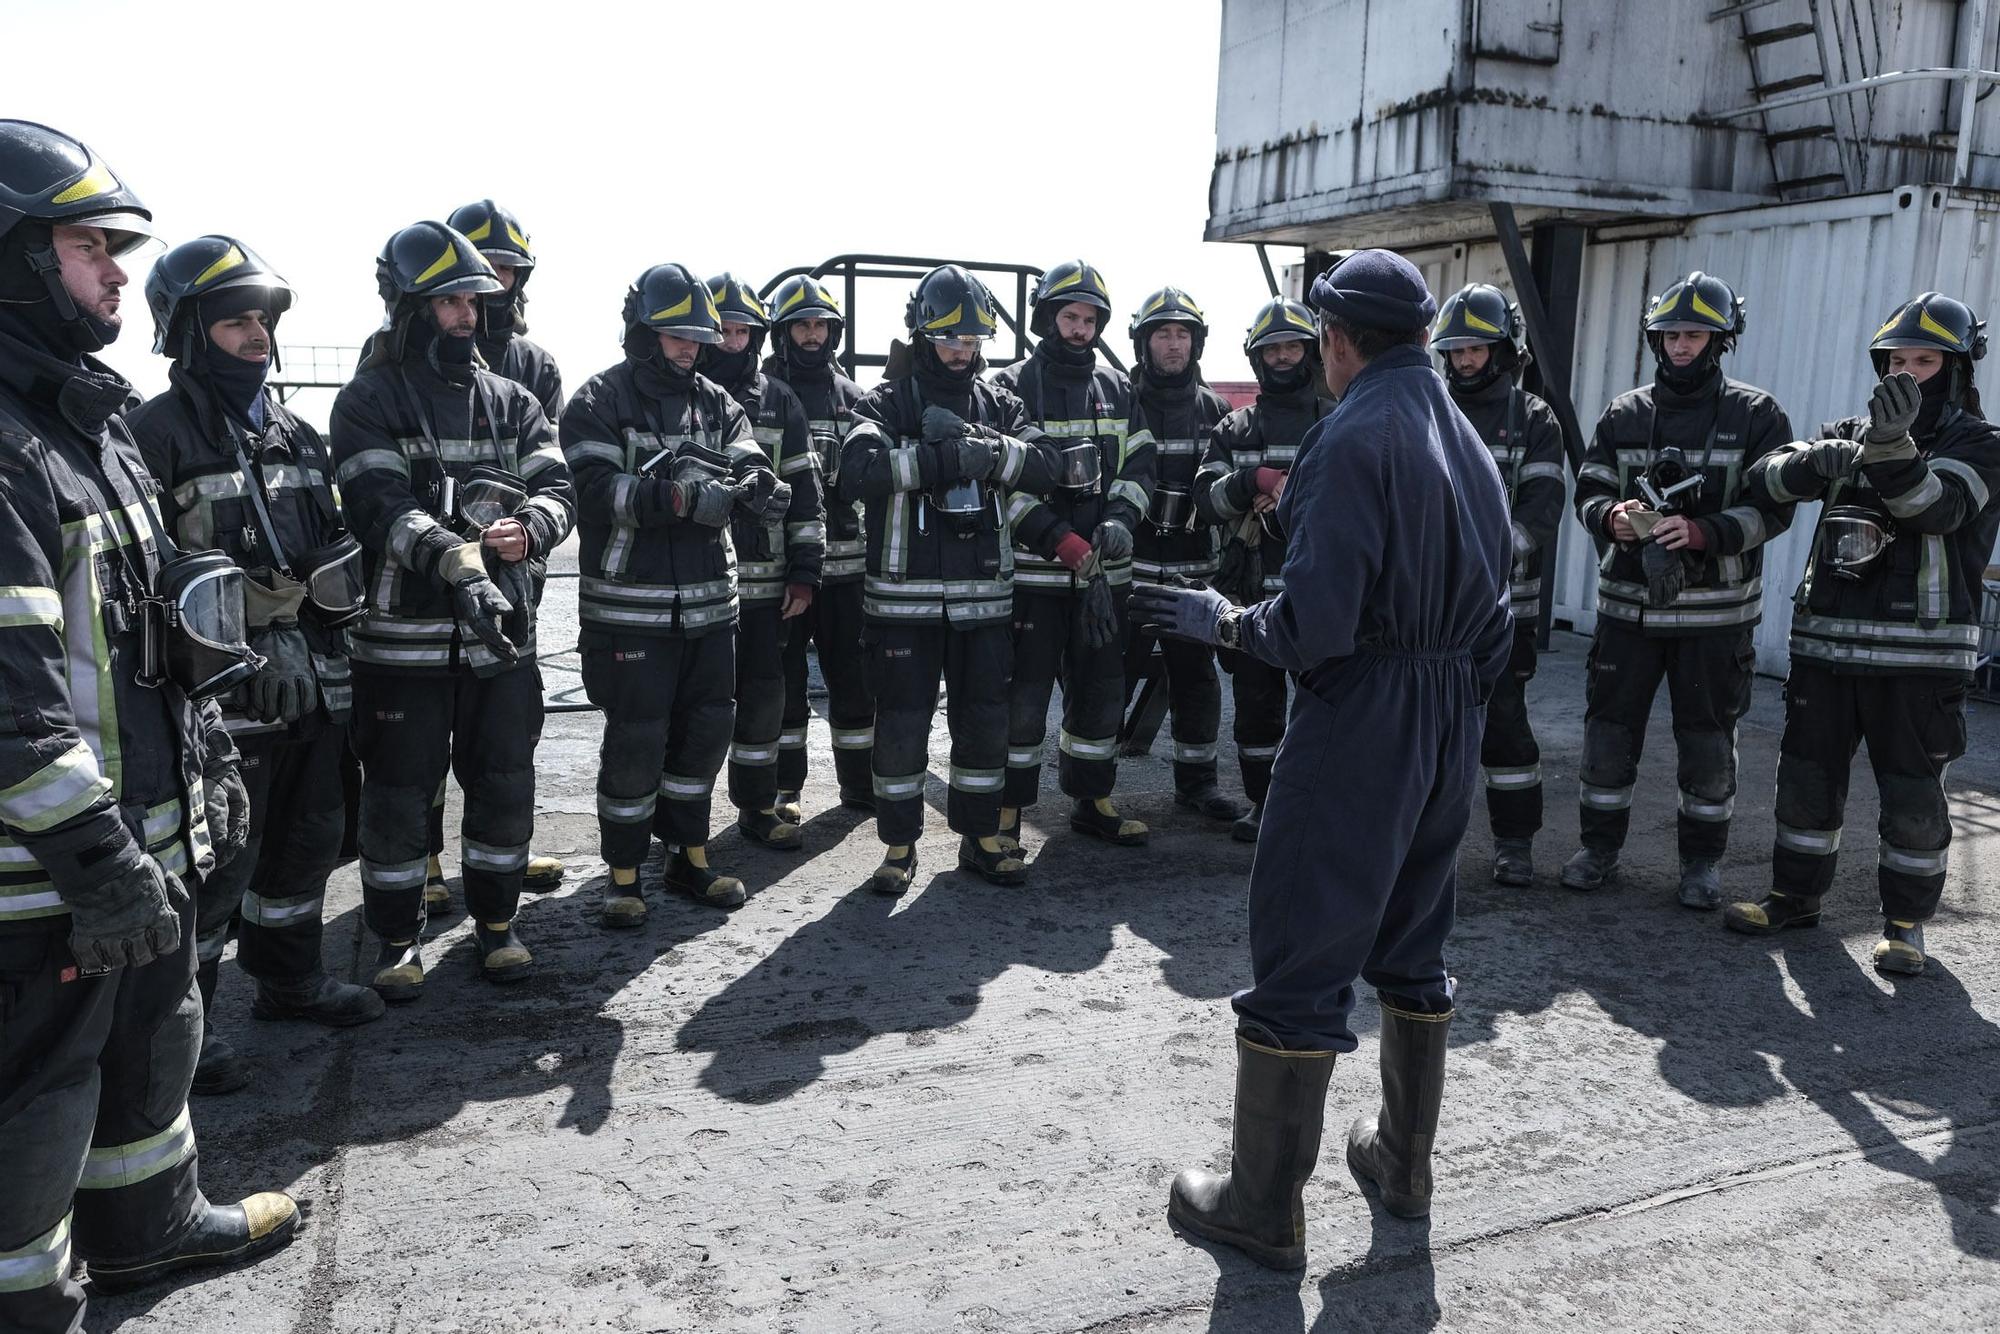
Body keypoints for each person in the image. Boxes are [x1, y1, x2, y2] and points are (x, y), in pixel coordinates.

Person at [1138, 249, 1512, 1270]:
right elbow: (1501, 614)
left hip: (1364, 715)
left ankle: (1259, 1206)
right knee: (1411, 934)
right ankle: (1400, 1162)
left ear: (1339, 342)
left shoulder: (1350, 434)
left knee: (1304, 940)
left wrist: (1221, 620)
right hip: (1446, 716)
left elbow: (1313, 627)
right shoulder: (1464, 436)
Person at [0, 119, 300, 1331]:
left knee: (154, 1035)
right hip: (49, 869)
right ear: (17, 258)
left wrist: (207, 749)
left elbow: (143, 618)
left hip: (142, 829)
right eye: (89, 246)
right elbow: (8, 701)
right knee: (43, 1081)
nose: (118, 270)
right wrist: (98, 857)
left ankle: (147, 1227)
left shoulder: (85, 422)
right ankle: (26, 1302)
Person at [129, 235, 385, 1096]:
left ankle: (290, 981)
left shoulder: (296, 434)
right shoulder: (148, 438)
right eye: (236, 322)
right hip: (220, 699)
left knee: (307, 839)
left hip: (310, 680)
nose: (257, 337)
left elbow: (324, 553)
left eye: (263, 322)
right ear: (188, 331)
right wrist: (248, 631)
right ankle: (187, 1029)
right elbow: (144, 580)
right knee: (218, 860)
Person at [331, 220, 575, 998]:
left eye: (473, 298)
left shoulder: (514, 398)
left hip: (501, 642)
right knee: (399, 796)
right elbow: (377, 502)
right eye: (448, 302)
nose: (468, 314)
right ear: (407, 305)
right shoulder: (367, 399)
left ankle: (497, 927)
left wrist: (529, 526)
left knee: (503, 780)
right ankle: (397, 940)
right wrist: (455, 554)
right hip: (402, 645)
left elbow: (560, 488)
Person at [1727, 294, 2000, 973]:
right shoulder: (1848, 429)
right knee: (1806, 782)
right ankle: (1793, 895)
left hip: (1920, 659)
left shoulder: (1980, 445)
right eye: (1895, 360)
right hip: (1827, 650)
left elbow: (1934, 508)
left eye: (1925, 360)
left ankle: (1905, 924)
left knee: (1911, 794)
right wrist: (1814, 459)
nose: (1906, 373)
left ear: (1957, 368)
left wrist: (1889, 450)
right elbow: (1766, 479)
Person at [559, 263, 784, 925]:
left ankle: (690, 855)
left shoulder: (718, 401)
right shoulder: (599, 399)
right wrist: (681, 497)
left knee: (705, 735)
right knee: (635, 742)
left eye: (697, 336)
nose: (690, 346)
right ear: (642, 330)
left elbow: (748, 458)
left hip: (713, 609)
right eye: (675, 334)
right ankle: (623, 876)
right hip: (630, 613)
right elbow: (595, 490)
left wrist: (760, 487)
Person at [1564, 271, 1795, 908]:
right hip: (1628, 613)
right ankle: (1599, 849)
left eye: (1694, 334)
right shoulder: (1625, 413)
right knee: (1609, 731)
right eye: (1670, 334)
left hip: (1715, 620)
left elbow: (1773, 511)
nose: (1681, 346)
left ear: (1721, 339)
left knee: (1707, 741)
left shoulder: (1757, 415)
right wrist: (1611, 518)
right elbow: (1589, 490)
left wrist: (1701, 533)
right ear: (1655, 340)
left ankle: (1701, 865)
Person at [840, 264, 1058, 892]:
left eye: (971, 342)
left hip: (985, 602)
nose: (961, 352)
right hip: (901, 604)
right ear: (921, 333)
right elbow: (856, 470)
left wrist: (984, 448)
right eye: (948, 339)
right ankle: (899, 848)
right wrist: (937, 460)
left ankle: (982, 838)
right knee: (903, 725)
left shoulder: (997, 403)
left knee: (985, 721)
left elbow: (1043, 466)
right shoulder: (884, 400)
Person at [426, 199, 567, 908]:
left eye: (506, 271)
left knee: (511, 740)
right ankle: (423, 862)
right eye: (482, 272)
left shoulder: (533, 365)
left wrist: (528, 550)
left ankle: (506, 851)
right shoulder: (395, 358)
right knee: (417, 749)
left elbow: (550, 475)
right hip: (426, 587)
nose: (494, 286)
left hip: (513, 583)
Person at [992, 260, 1155, 849]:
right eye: (1070, 316)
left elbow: (1140, 464)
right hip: (1034, 580)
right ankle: (1008, 812)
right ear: (1046, 317)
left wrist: (1120, 518)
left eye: (1089, 319)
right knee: (1024, 700)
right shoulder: (1008, 388)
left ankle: (1093, 799)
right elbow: (1001, 486)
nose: (1080, 328)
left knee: (1101, 692)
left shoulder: (1117, 389)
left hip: (1101, 582)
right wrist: (1056, 536)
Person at [1432, 283, 1567, 884]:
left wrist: (1488, 557)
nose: (1465, 360)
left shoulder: (1533, 418)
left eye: (1477, 349)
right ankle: (1423, 841)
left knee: (1505, 725)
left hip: (1503, 608)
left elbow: (1542, 505)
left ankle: (1515, 844)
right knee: (1426, 725)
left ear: (1504, 349)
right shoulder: (1429, 407)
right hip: (1427, 606)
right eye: (1456, 349)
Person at [1196, 297, 1335, 842]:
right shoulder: (1235, 427)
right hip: (1253, 598)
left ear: (1310, 351)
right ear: (1256, 357)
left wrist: (1292, 496)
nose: (1282, 356)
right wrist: (1252, 481)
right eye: (1271, 347)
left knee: (1322, 707)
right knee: (1256, 710)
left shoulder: (1337, 419)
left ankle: (1316, 807)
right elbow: (1204, 501)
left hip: (1322, 595)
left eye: (1292, 346)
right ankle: (1262, 804)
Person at [701, 273, 821, 849]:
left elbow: (803, 491)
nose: (732, 342)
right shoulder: (680, 394)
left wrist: (804, 572)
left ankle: (756, 806)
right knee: (695, 707)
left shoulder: (779, 399)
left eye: (743, 331)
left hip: (766, 583)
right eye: (721, 330)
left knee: (765, 695)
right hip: (697, 584)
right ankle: (679, 826)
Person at [1123, 286, 1248, 824]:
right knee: (1110, 678)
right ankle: (1092, 789)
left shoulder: (1216, 410)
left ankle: (1197, 785)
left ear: (1196, 344)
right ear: (1143, 343)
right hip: (1130, 571)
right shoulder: (1121, 402)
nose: (1173, 345)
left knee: (1196, 679)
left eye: (1182, 335)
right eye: (1162, 334)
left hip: (1196, 574)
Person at [765, 274, 876, 817]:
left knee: (853, 680)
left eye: (821, 325)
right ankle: (785, 790)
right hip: (780, 571)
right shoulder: (760, 398)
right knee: (784, 683)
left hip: (848, 572)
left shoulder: (856, 398)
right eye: (802, 325)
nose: (812, 335)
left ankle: (859, 787)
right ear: (782, 332)